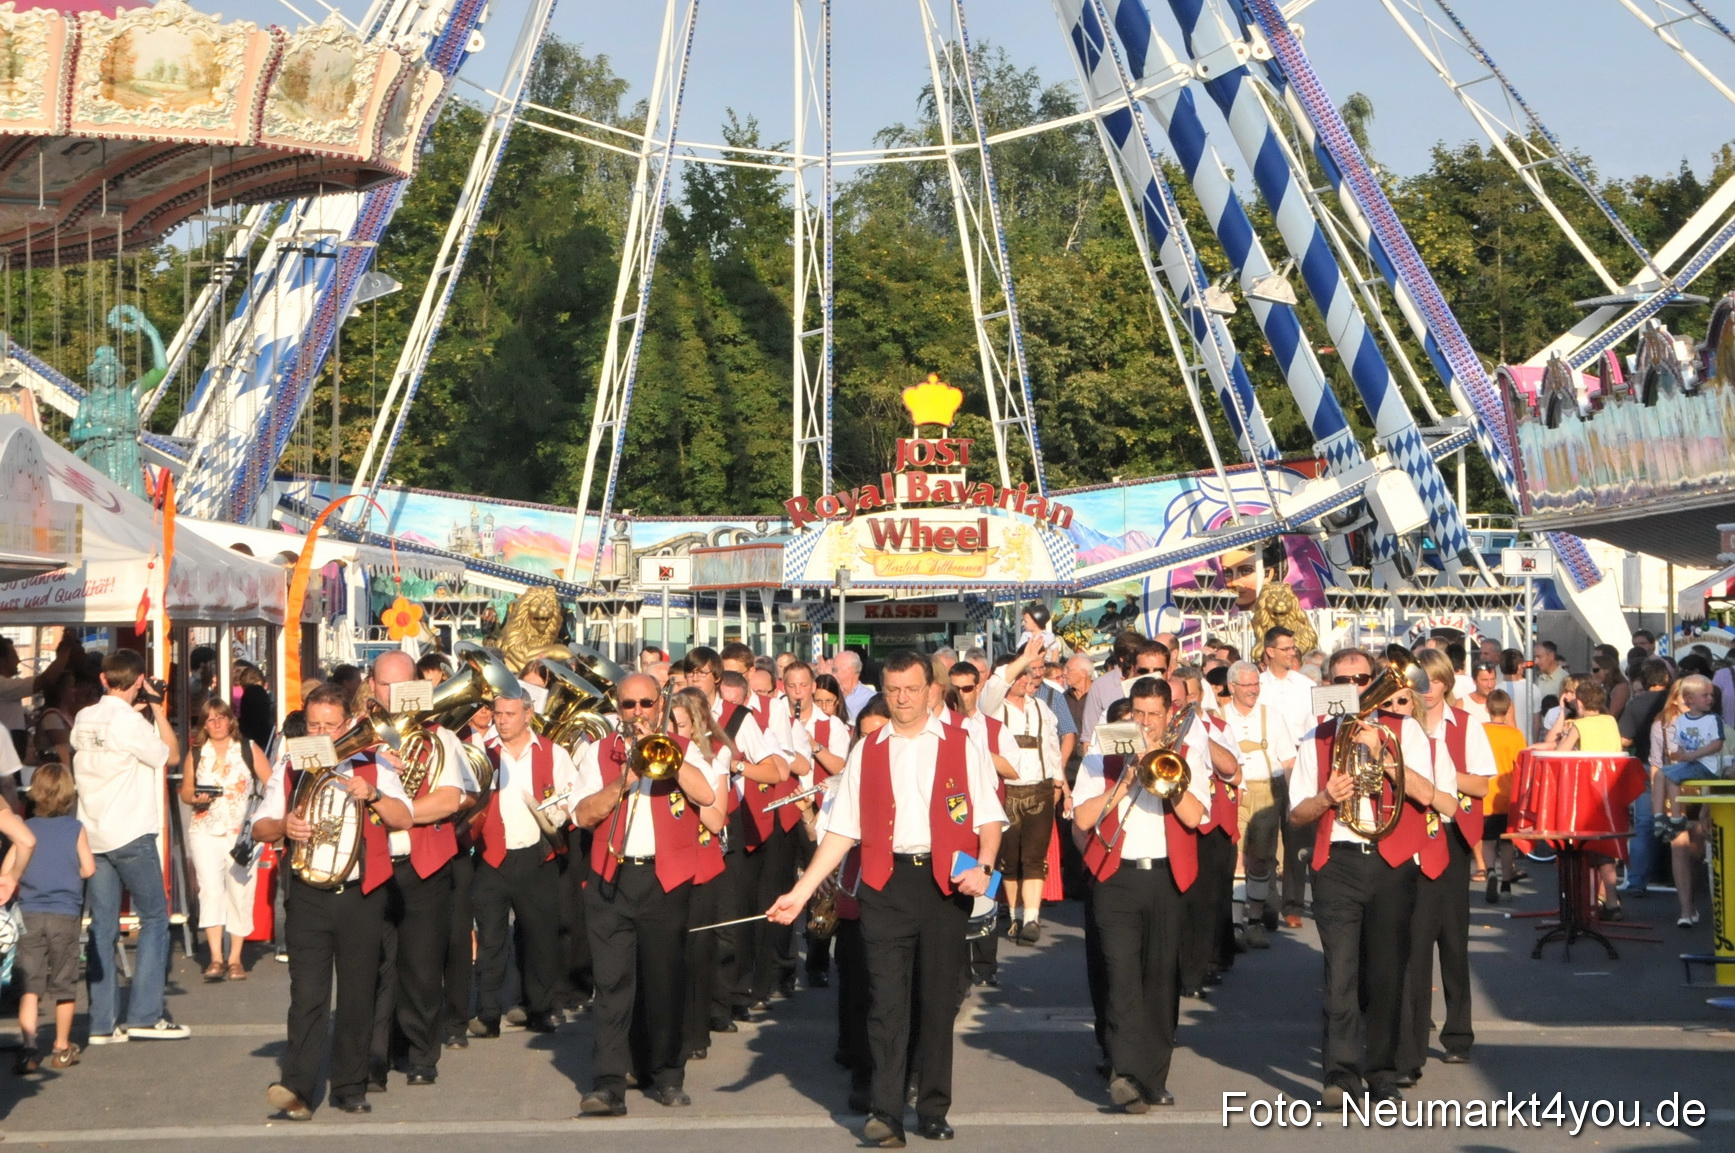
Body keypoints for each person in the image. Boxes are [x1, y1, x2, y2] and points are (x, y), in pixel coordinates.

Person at [768, 650, 1005, 1147]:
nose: (902, 699)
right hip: (885, 883)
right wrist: (801, 891)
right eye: (893, 689)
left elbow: (988, 816)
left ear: (931, 690)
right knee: (887, 1003)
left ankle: (934, 1107)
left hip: (944, 886)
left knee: (938, 1002)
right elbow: (841, 832)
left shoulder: (964, 743)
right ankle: (886, 1110)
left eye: (911, 689)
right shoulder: (868, 749)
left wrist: (984, 867)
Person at [1289, 647, 1451, 1106]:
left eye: (1364, 680)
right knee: (1339, 974)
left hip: (1391, 862)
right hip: (1337, 862)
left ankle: (1382, 1072)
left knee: (1386, 973)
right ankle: (1340, 1075)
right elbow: (1298, 812)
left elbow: (1431, 796)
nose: (1357, 689)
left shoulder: (1406, 730)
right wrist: (1325, 798)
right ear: (1329, 688)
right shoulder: (1315, 737)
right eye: (1346, 681)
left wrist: (1387, 759)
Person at [254, 682, 415, 1119]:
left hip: (359, 893)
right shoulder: (291, 761)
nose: (321, 732)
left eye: (329, 724)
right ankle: (299, 1087)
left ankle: (350, 1084)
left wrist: (375, 795)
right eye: (313, 724)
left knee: (358, 993)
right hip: (308, 893)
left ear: (348, 724)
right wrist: (283, 825)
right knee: (306, 995)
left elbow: (406, 817)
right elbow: (258, 826)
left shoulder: (375, 761)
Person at [573, 673, 718, 1116]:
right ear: (618, 708)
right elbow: (581, 814)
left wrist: (667, 752)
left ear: (659, 705)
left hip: (665, 880)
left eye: (645, 704)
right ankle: (608, 1083)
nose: (636, 712)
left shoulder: (681, 747)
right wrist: (624, 779)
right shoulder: (597, 751)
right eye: (628, 704)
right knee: (611, 984)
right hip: (611, 879)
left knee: (664, 982)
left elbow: (707, 795)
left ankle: (668, 1074)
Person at [1071, 675, 1212, 1111]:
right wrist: (1126, 781)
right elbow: (1082, 817)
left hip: (1167, 877)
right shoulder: (1105, 746)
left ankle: (1154, 1076)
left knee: (1161, 978)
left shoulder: (1188, 749)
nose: (1146, 723)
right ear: (1129, 713)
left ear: (1169, 714)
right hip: (1117, 876)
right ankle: (1126, 1074)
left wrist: (1162, 769)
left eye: (1154, 715)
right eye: (1139, 714)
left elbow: (1194, 818)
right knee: (1121, 975)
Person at [366, 651, 477, 1090]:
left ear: (417, 688)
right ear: (372, 687)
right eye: (385, 685)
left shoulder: (441, 739)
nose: (394, 695)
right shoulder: (357, 738)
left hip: (424, 863)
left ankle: (420, 1053)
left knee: (421, 965)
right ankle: (377, 1053)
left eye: (403, 685)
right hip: (371, 863)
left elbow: (451, 799)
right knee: (373, 964)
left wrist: (399, 811)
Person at [72, 649, 188, 1044]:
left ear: (104, 680)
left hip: (94, 831)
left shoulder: (86, 717)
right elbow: (170, 755)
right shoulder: (132, 722)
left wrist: (137, 707)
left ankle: (102, 1023)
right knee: (155, 919)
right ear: (139, 680)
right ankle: (144, 1014)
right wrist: (155, 709)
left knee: (103, 927)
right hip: (130, 832)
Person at [1395, 648, 1493, 1086]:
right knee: (1413, 942)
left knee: (1453, 941)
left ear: (1447, 684)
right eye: (1421, 681)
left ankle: (1459, 1034)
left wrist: (1440, 776)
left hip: (1451, 834)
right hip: (1412, 835)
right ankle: (1413, 1033)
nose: (1427, 690)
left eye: (1434, 682)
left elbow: (1482, 784)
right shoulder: (1400, 724)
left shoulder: (1466, 724)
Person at [469, 691, 578, 1038]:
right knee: (490, 939)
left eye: (510, 714)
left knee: (539, 937)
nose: (501, 720)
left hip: (536, 855)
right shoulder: (481, 752)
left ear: (528, 715)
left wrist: (559, 813)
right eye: (498, 713)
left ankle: (539, 1008)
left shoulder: (553, 752)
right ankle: (487, 1013)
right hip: (491, 855)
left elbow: (572, 795)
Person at [180, 698, 271, 981]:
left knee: (240, 889)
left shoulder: (248, 748)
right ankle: (216, 957)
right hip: (205, 828)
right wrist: (195, 797)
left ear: (231, 720)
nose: (217, 723)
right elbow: (185, 792)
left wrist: (261, 816)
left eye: (221, 718)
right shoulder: (197, 753)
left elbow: (271, 782)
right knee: (209, 889)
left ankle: (235, 958)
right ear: (204, 724)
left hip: (240, 833)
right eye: (210, 719)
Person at [982, 649, 1062, 943]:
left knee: (1034, 856)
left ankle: (1031, 917)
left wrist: (1058, 782)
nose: (1022, 679)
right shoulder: (991, 707)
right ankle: (1015, 914)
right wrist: (1014, 664)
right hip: (1007, 790)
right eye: (1016, 674)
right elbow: (993, 687)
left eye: (1024, 673)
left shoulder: (1041, 708)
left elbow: (1051, 746)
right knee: (1009, 857)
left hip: (1039, 787)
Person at [1220, 660, 1295, 946]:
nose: (1253, 690)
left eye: (1256, 684)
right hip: (1234, 792)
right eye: (1247, 685)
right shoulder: (1220, 716)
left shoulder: (1272, 716)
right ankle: (1238, 924)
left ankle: (1254, 920)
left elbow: (1288, 760)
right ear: (1232, 687)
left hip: (1267, 793)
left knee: (1261, 860)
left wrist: (1291, 799)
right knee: (1237, 857)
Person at [11, 764, 72, 1073]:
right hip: (65, 914)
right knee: (63, 983)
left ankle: (29, 1048)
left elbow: (8, 870)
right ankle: (61, 1047)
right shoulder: (76, 829)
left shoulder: (27, 828)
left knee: (30, 986)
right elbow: (88, 868)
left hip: (30, 913)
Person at [1649, 676, 1722, 927]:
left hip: (1703, 791)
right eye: (1680, 699)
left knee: (1698, 851)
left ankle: (1701, 902)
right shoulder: (1664, 725)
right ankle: (1686, 909)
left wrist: (1706, 806)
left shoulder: (1714, 723)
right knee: (1679, 849)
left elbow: (1721, 758)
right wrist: (1657, 802)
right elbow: (1657, 762)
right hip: (1676, 791)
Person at [1259, 627, 1314, 930]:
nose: (1292, 652)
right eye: (1285, 648)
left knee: (1297, 837)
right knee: (1265, 836)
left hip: (1299, 762)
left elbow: (1314, 727)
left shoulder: (1305, 685)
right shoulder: (1257, 685)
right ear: (1270, 652)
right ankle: (1267, 899)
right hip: (1266, 767)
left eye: (1293, 647)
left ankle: (1293, 904)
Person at [1618, 659, 1672, 897]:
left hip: (1646, 766)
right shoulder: (1675, 703)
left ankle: (1637, 880)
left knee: (1643, 825)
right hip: (1677, 765)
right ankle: (1680, 876)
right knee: (1681, 825)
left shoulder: (1635, 704)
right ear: (1666, 680)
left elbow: (1624, 740)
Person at [1479, 691, 1526, 904]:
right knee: (1507, 843)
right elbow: (1521, 766)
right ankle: (1506, 883)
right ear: (1508, 710)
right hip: (1508, 796)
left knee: (1487, 841)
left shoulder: (1479, 731)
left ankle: (1489, 871)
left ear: (1487, 708)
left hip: (1485, 796)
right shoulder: (1515, 735)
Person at [835, 651, 876, 719]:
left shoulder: (870, 698)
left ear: (850, 670)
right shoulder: (831, 694)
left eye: (835, 670)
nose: (832, 673)